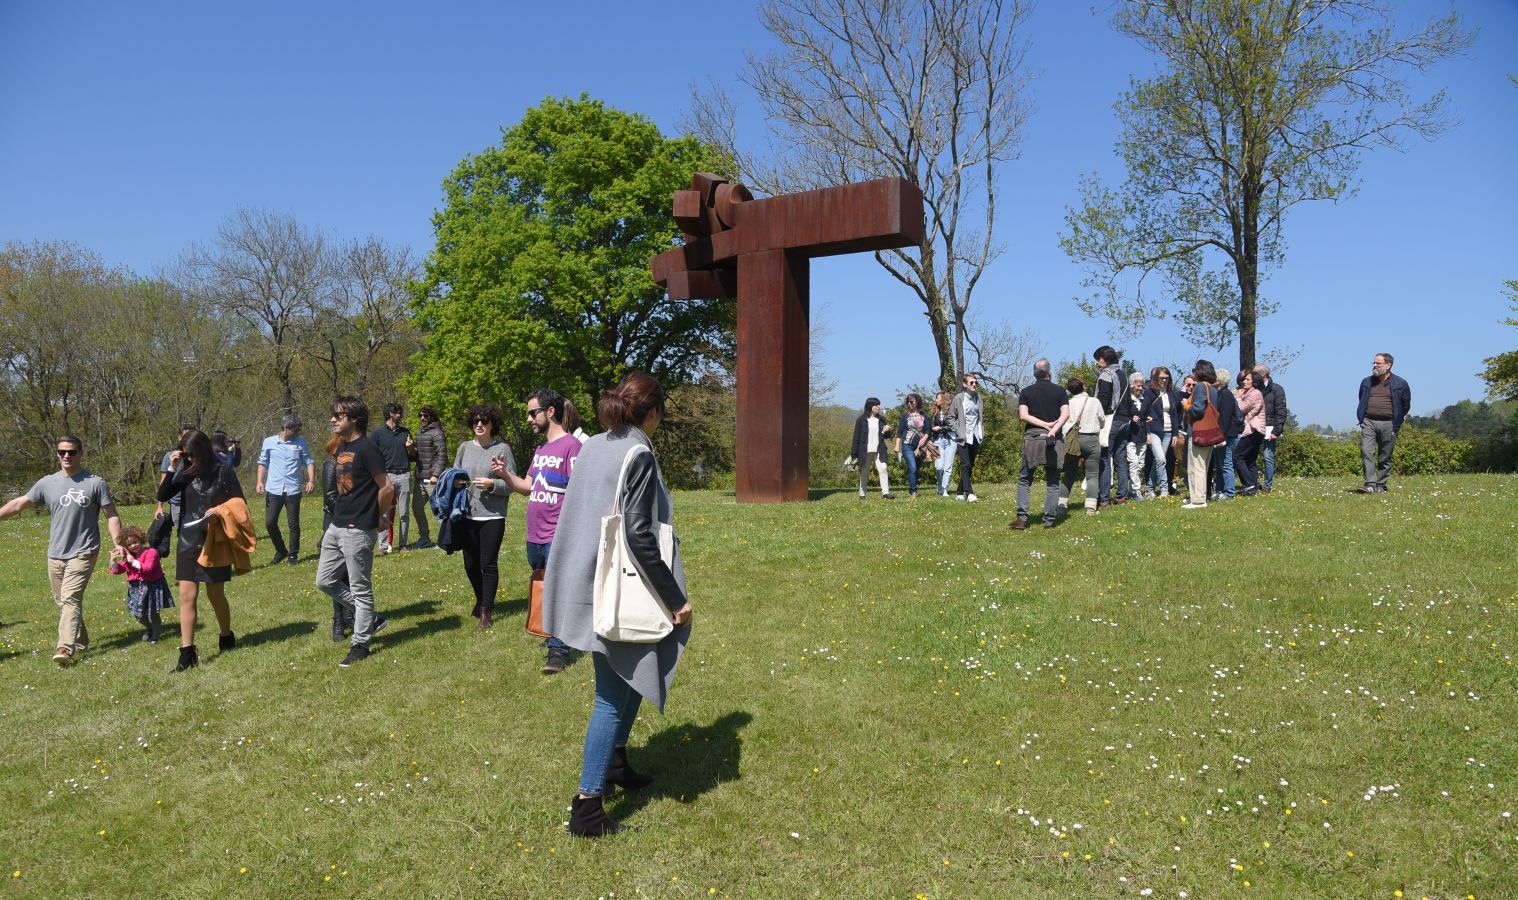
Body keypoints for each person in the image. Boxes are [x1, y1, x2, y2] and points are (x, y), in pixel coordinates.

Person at [542, 372, 693, 837]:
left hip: (588, 578)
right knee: (610, 697)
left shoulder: (595, 445)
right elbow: (637, 532)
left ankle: (616, 765)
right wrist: (675, 598)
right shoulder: (638, 451)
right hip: (618, 588)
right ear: (653, 413)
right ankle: (587, 807)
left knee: (626, 682)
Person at [0, 435, 123, 665]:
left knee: (70, 598)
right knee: (64, 601)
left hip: (84, 550)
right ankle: (81, 640)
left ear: (80, 453)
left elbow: (111, 514)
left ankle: (64, 648)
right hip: (55, 552)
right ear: (57, 454)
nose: (66, 456)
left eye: (72, 452)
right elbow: (18, 504)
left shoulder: (95, 483)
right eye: (62, 452)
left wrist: (118, 542)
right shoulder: (47, 483)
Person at [493, 388, 582, 674]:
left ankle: (558, 652)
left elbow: (579, 492)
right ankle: (553, 636)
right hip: (535, 535)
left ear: (550, 412)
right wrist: (505, 475)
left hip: (558, 533)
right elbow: (528, 487)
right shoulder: (541, 450)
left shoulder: (571, 446)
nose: (529, 419)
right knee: (543, 587)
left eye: (533, 413)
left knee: (558, 589)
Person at [156, 428, 244, 672]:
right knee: (186, 596)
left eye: (191, 454)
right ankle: (187, 652)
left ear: (203, 451)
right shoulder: (184, 472)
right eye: (185, 454)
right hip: (188, 539)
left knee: (215, 594)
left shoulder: (222, 471)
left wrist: (220, 511)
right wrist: (173, 468)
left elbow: (239, 503)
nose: (189, 459)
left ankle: (226, 635)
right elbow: (162, 494)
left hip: (214, 540)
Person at [315, 396, 393, 667]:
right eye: (333, 415)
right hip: (336, 525)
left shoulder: (368, 448)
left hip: (358, 529)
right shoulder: (343, 447)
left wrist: (376, 516)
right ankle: (370, 618)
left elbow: (387, 488)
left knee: (360, 589)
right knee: (324, 581)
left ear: (354, 419)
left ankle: (360, 644)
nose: (333, 419)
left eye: (339, 415)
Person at [455, 404, 514, 628]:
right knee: (470, 565)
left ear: (492, 425)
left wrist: (492, 484)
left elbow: (512, 482)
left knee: (487, 563)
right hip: (467, 515)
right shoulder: (464, 447)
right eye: (475, 421)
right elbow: (455, 471)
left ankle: (486, 612)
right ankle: (481, 598)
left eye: (484, 421)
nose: (479, 425)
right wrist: (456, 481)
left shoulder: (503, 449)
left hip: (493, 516)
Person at [1011, 359, 1069, 530]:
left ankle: (1022, 519)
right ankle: (1049, 521)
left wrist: (1043, 425)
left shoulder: (1027, 391)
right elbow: (1065, 414)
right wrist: (1052, 429)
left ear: (1035, 374)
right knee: (1052, 482)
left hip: (1033, 438)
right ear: (1049, 373)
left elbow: (1023, 415)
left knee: (1024, 479)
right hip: (1054, 439)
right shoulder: (1060, 391)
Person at [255, 414, 315, 566]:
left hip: (293, 489)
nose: (298, 433)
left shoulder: (300, 443)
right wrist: (259, 481)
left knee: (293, 524)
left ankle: (293, 555)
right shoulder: (269, 442)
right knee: (270, 522)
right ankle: (281, 550)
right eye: (295, 430)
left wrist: (311, 480)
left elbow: (308, 461)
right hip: (274, 489)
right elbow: (263, 463)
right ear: (286, 428)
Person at [107, 524, 172, 644]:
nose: (133, 546)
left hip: (151, 586)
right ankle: (149, 627)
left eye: (135, 542)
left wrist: (133, 561)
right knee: (138, 614)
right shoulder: (128, 557)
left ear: (141, 539)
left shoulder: (151, 552)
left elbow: (148, 568)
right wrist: (113, 560)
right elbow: (117, 570)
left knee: (153, 612)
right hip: (136, 588)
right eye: (129, 545)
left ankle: (156, 636)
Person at [1357, 352, 1412, 493]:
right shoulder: (1366, 382)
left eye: (1378, 363)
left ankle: (1381, 485)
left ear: (1388, 365)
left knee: (1385, 455)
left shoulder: (1400, 383)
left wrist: (1397, 419)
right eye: (1374, 363)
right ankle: (1370, 484)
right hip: (1368, 422)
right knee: (1366, 451)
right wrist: (1362, 418)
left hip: (1389, 423)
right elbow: (1362, 399)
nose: (1374, 365)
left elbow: (1405, 405)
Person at [370, 402, 413, 555]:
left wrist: (411, 447)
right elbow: (371, 456)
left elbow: (414, 455)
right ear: (390, 414)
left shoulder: (405, 432)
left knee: (404, 513)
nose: (401, 415)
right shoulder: (377, 434)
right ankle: (382, 547)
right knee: (383, 512)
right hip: (385, 476)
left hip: (404, 474)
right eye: (398, 412)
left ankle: (403, 545)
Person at [1059, 377, 1104, 516]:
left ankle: (1061, 505)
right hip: (1091, 439)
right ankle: (1090, 508)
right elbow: (1102, 420)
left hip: (1073, 440)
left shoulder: (1068, 403)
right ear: (1083, 386)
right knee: (1092, 475)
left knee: (1069, 474)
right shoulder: (1094, 401)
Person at [153, 423, 196, 556]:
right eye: (185, 436)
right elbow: (164, 480)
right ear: (179, 437)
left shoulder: (199, 457)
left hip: (195, 502)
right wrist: (159, 506)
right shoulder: (171, 456)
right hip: (177, 501)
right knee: (182, 533)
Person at [1181, 360, 1219, 509]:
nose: (1193, 373)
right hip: (1210, 432)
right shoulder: (1212, 389)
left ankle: (1197, 500)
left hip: (1198, 431)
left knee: (1196, 466)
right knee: (1203, 465)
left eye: (1194, 369)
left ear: (1199, 371)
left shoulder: (1200, 387)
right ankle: (1198, 497)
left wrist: (1186, 405)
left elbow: (1197, 410)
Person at [1092, 346, 1125, 507]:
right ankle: (1121, 497)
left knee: (1104, 458)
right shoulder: (1122, 373)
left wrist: (1098, 418)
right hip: (1125, 421)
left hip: (1111, 419)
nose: (1097, 362)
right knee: (1120, 459)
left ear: (1105, 359)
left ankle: (1104, 499)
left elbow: (1103, 399)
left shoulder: (1106, 374)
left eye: (1098, 358)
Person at [410, 405, 446, 550]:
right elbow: (418, 455)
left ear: (432, 417)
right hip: (419, 479)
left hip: (432, 479)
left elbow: (442, 455)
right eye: (420, 415)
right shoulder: (419, 433)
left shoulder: (437, 433)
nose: (422, 418)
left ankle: (445, 541)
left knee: (440, 511)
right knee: (417, 508)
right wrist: (411, 448)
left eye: (425, 415)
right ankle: (424, 539)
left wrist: (435, 475)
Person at [1142, 367, 1180, 497]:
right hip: (1154, 430)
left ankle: (1150, 488)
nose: (1164, 380)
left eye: (1166, 378)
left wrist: (1175, 433)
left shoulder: (1172, 394)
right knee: (1160, 459)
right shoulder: (1149, 393)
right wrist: (1147, 433)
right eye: (1161, 378)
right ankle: (1164, 489)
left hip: (1168, 432)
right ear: (1156, 378)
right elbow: (1145, 413)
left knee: (1158, 461)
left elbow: (1174, 415)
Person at [948, 372, 984, 501]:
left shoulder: (978, 398)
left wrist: (981, 432)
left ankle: (959, 492)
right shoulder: (959, 398)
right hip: (963, 436)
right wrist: (958, 430)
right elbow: (950, 418)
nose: (974, 385)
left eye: (975, 382)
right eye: (971, 382)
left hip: (975, 436)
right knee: (965, 464)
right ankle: (969, 493)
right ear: (964, 384)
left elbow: (980, 418)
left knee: (970, 465)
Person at [850, 397, 894, 500]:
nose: (879, 407)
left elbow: (887, 436)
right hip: (865, 451)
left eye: (879, 404)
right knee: (865, 472)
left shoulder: (882, 419)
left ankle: (886, 493)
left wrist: (886, 431)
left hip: (879, 450)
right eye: (876, 405)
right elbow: (856, 437)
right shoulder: (861, 420)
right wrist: (854, 452)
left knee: (883, 468)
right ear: (870, 406)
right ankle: (862, 494)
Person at [1209, 368, 1242, 501]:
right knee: (1219, 464)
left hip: (1225, 435)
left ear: (1219, 380)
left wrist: (1221, 437)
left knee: (1226, 463)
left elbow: (1226, 418)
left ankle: (1229, 492)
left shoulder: (1226, 394)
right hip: (1221, 434)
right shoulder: (1220, 393)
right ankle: (1220, 490)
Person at [1114, 372, 1149, 500]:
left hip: (1142, 435)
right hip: (1129, 435)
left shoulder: (1145, 399)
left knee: (1140, 464)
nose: (1140, 388)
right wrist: (1130, 417)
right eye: (1138, 386)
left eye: (1142, 386)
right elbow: (1122, 414)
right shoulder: (1127, 400)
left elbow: (1146, 415)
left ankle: (1130, 486)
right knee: (1133, 462)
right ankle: (1136, 490)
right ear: (1132, 385)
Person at [1254, 364, 1287, 493]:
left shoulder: (1277, 389)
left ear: (1263, 375)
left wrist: (1277, 431)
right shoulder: (1255, 389)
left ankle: (1267, 485)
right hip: (1256, 427)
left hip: (1270, 428)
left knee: (1268, 457)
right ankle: (1255, 483)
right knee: (1252, 456)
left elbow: (1281, 410)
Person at [1234, 370, 1266, 496]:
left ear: (1255, 382)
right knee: (1250, 460)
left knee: (1237, 457)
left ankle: (1248, 484)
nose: (1244, 381)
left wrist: (1237, 397)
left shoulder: (1255, 394)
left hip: (1253, 429)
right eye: (1244, 379)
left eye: (1247, 379)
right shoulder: (1252, 393)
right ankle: (1255, 486)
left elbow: (1241, 408)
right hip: (1258, 430)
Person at [894, 393, 928, 499]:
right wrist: (897, 446)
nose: (909, 403)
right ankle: (913, 492)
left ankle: (912, 489)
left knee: (916, 469)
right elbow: (899, 432)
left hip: (920, 447)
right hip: (907, 446)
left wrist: (924, 439)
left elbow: (928, 430)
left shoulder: (923, 415)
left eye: (911, 401)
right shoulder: (905, 416)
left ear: (917, 402)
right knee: (912, 468)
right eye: (908, 402)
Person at [928, 391, 957, 497]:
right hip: (938, 441)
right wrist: (930, 439)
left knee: (947, 467)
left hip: (950, 440)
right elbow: (931, 427)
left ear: (943, 400)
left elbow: (953, 426)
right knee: (939, 467)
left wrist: (940, 428)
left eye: (937, 398)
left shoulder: (951, 412)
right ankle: (940, 486)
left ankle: (944, 489)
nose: (936, 400)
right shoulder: (935, 412)